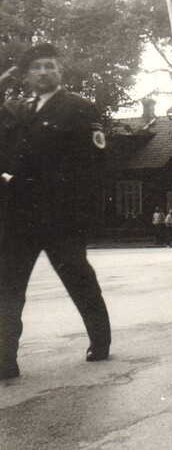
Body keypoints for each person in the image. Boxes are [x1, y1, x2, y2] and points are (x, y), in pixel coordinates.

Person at [0, 43, 112, 378]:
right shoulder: (13, 110)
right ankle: (5, 357)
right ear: (26, 75)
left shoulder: (78, 108)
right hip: (18, 216)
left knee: (78, 277)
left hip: (61, 216)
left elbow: (95, 164)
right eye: (36, 67)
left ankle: (100, 340)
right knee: (8, 285)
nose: (44, 73)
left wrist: (82, 214)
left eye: (50, 66)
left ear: (60, 71)